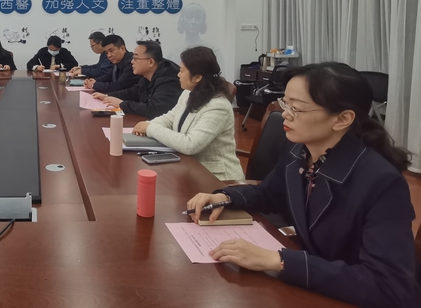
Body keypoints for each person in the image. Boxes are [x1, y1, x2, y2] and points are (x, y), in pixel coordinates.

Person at [186, 62, 419, 308]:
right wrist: (226, 197)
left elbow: (388, 286)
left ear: (342, 118)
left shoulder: (382, 183)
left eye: (296, 108)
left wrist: (280, 261)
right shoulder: (299, 148)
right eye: (285, 103)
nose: (285, 114)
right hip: (314, 288)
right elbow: (271, 193)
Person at [132, 46, 243, 180]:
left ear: (197, 77)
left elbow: (190, 145)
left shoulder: (218, 106)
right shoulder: (188, 93)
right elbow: (170, 118)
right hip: (189, 167)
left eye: (181, 71)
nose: (178, 75)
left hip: (217, 178)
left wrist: (150, 128)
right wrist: (147, 124)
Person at [92, 41, 181, 119]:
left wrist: (121, 104)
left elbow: (153, 109)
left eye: (136, 58)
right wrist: (108, 96)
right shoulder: (148, 75)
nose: (132, 62)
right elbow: (135, 91)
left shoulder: (169, 80)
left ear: (150, 62)